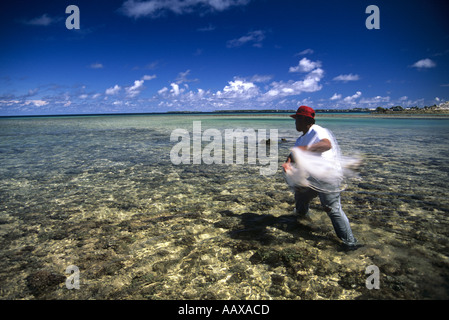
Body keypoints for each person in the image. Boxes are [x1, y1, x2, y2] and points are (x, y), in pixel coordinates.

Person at [282, 106, 360, 250]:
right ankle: (302, 219)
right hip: (314, 177)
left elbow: (326, 145)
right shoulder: (301, 139)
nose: (295, 123)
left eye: (297, 119)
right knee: (300, 195)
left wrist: (304, 151)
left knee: (331, 209)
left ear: (306, 120)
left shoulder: (317, 130)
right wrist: (287, 164)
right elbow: (293, 154)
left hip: (328, 176)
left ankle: (351, 243)